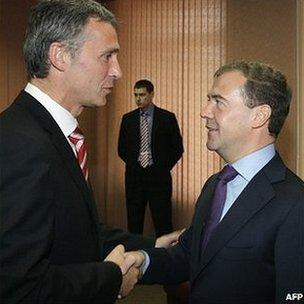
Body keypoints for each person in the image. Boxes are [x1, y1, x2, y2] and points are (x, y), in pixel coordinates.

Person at [0, 1, 182, 303]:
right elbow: (17, 287)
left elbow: (78, 233)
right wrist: (111, 278)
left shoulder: (51, 134)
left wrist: (153, 245)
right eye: (107, 56)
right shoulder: (21, 144)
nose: (118, 71)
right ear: (59, 56)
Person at [127, 60, 304, 303]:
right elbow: (191, 256)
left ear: (259, 116)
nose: (205, 111)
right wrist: (143, 261)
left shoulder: (295, 203)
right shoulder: (215, 185)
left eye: (218, 102)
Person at [118, 79, 184, 237]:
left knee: (163, 222)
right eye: (135, 95)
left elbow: (177, 148)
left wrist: (162, 167)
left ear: (152, 94)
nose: (138, 99)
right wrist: (135, 164)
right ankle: (135, 257)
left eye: (142, 95)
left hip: (159, 179)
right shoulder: (128, 119)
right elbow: (121, 149)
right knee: (134, 223)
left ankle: (165, 258)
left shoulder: (167, 118)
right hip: (135, 178)